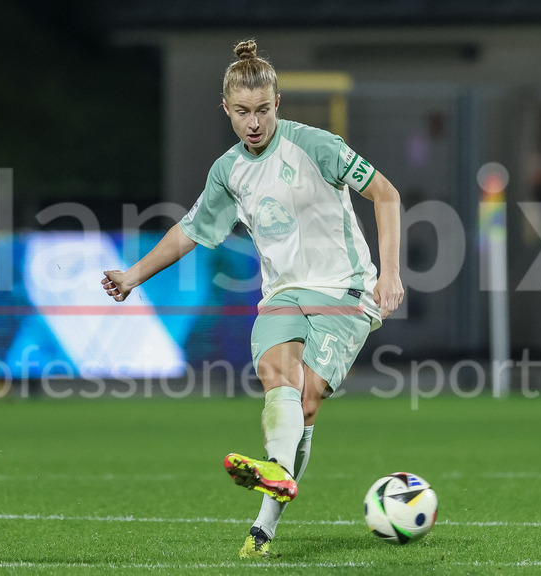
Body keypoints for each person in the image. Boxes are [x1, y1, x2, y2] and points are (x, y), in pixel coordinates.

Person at [101, 39, 403, 558]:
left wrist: (390, 274)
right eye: (242, 112)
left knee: (307, 399)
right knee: (276, 379)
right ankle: (275, 492)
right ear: (226, 110)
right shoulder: (228, 171)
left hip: (343, 290)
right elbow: (189, 232)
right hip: (282, 294)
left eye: (262, 110)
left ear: (277, 104)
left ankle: (265, 518)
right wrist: (133, 277)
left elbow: (387, 194)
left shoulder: (317, 145)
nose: (253, 122)